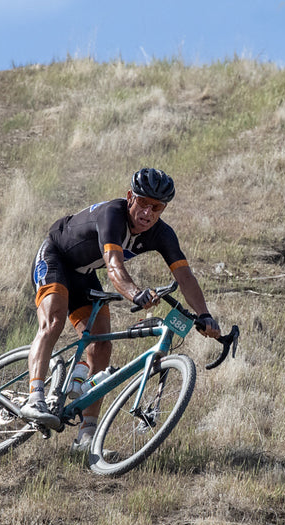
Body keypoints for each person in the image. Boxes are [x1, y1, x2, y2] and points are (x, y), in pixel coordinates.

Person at [23, 167, 222, 450]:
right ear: (130, 197)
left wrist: (204, 315)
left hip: (83, 275)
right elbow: (114, 265)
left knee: (101, 348)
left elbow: (185, 277)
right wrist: (135, 294)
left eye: (157, 207)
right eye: (143, 203)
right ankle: (35, 396)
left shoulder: (162, 234)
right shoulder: (112, 214)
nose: (148, 213)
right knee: (54, 321)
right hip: (56, 257)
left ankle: (87, 435)